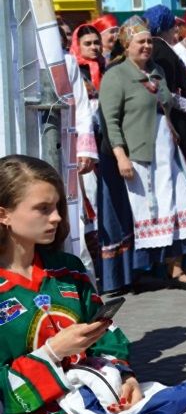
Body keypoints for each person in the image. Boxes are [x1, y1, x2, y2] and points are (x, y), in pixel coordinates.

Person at [0, 154, 186, 414]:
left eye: (58, 207)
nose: (56, 218)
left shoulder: (68, 268)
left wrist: (124, 375)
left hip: (98, 401)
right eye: (42, 208)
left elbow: (106, 335)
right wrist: (52, 353)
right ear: (4, 214)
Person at [98, 16, 186, 290]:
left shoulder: (156, 70)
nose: (146, 46)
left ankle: (177, 269)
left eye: (148, 41)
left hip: (166, 150)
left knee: (179, 204)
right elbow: (110, 120)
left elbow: (167, 101)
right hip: (137, 153)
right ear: (126, 45)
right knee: (145, 211)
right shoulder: (116, 75)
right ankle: (138, 272)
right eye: (140, 42)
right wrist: (121, 156)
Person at [145, 5, 186, 220]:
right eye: (173, 26)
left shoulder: (156, 48)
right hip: (175, 121)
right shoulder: (160, 50)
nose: (176, 31)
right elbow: (165, 93)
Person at [66, 24, 104, 275]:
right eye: (87, 43)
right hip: (75, 145)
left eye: (95, 42)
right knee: (84, 202)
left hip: (97, 143)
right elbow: (80, 107)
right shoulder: (73, 66)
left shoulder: (106, 66)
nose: (93, 48)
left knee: (97, 202)